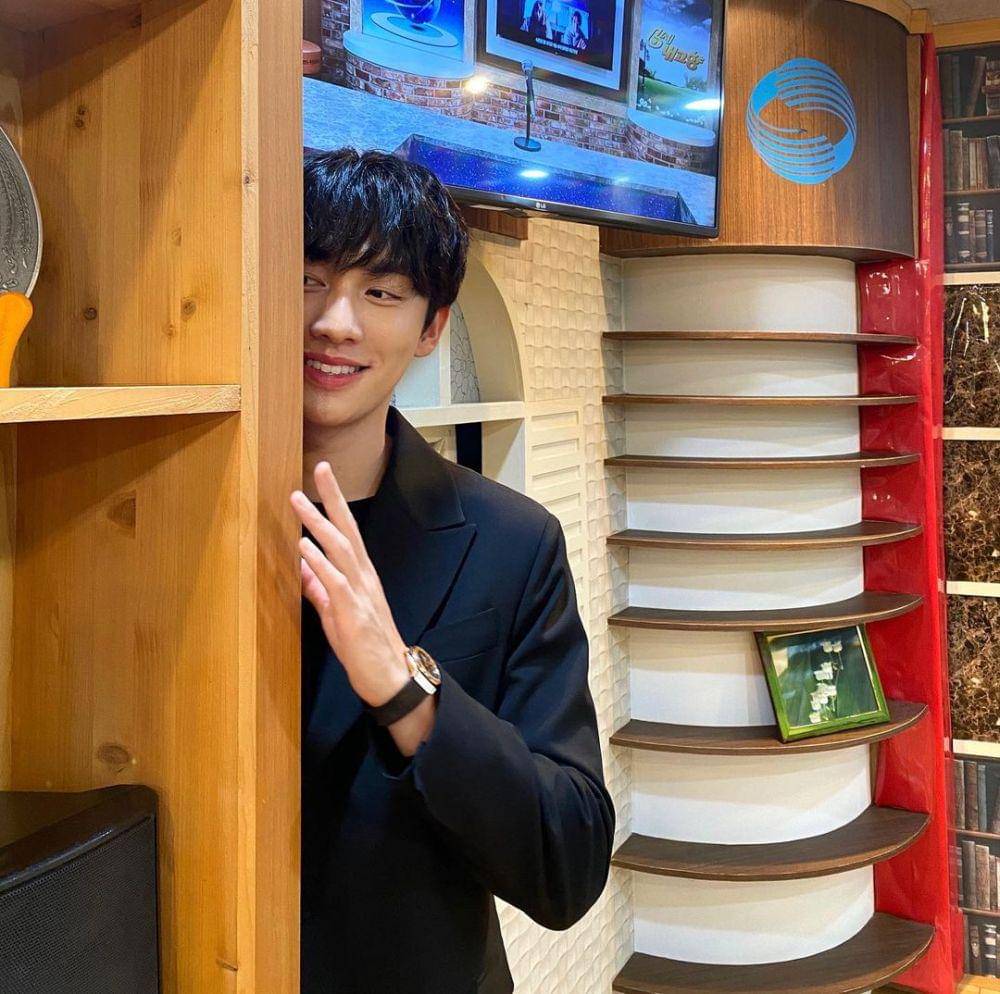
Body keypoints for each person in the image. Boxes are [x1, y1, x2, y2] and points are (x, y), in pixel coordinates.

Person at [291, 147, 615, 994]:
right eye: (308, 278)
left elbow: (569, 859)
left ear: (432, 328)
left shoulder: (512, 543)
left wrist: (404, 689)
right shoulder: (182, 519)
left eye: (382, 293)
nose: (334, 322)